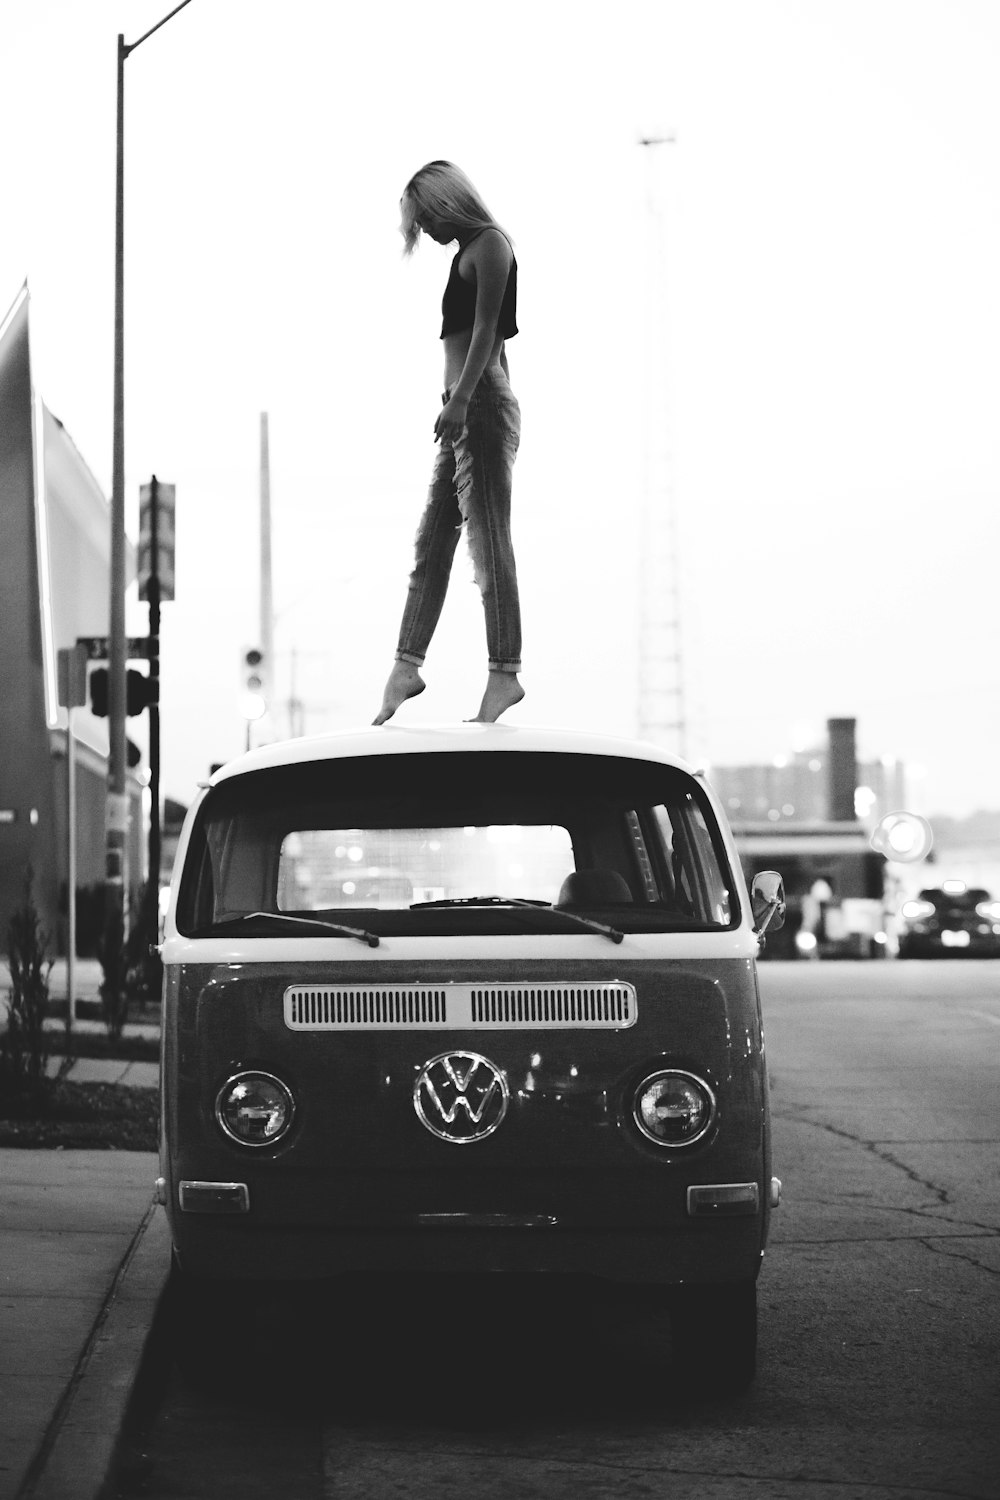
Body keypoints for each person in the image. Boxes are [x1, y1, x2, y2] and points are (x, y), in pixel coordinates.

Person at [374, 161, 525, 725]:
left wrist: (464, 400)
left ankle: (505, 672)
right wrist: (455, 404)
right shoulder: (467, 251)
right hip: (463, 410)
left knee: (489, 548)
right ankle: (406, 665)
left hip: (477, 406)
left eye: (428, 219)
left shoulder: (489, 245)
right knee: (431, 542)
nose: (428, 233)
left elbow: (487, 333)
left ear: (447, 202)